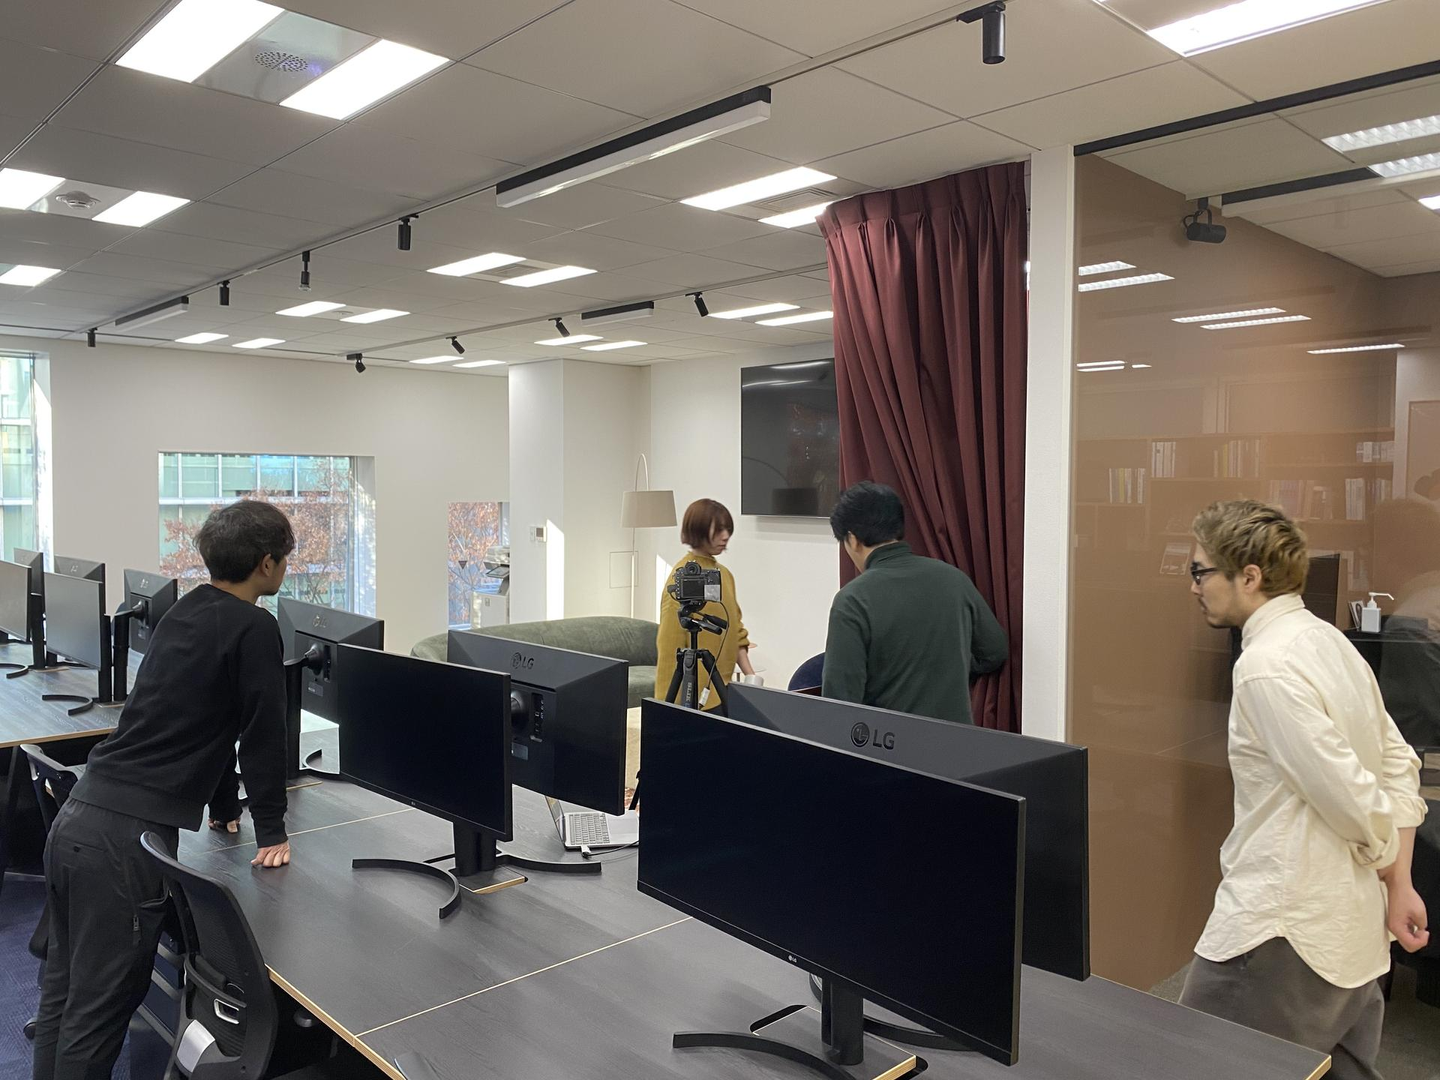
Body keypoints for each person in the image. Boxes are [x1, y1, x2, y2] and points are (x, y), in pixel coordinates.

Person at [33, 500, 296, 1080]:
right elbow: (260, 733)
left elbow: (206, 713)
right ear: (267, 563)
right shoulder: (255, 627)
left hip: (78, 816)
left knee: (64, 996)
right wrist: (273, 832)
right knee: (98, 1014)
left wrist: (224, 807)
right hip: (123, 844)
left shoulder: (186, 610)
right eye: (285, 558)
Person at [1181, 499, 1429, 1079]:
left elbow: (1352, 797)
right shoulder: (1328, 640)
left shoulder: (1264, 667)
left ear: (1249, 576)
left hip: (1283, 931)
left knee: (1195, 1063)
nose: (1192, 587)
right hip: (1351, 932)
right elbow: (1398, 763)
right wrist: (1398, 881)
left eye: (1200, 571)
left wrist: (1387, 861)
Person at [822, 481, 1007, 724]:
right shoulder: (954, 579)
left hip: (889, 742)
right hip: (957, 740)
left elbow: (840, 702)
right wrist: (952, 666)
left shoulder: (853, 600)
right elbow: (995, 651)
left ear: (852, 539)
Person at [655, 499, 752, 710]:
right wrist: (664, 705)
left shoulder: (724, 575)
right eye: (718, 530)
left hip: (723, 689)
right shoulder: (681, 578)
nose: (725, 536)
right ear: (698, 529)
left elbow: (736, 631)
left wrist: (751, 677)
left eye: (727, 530)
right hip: (693, 696)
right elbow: (670, 646)